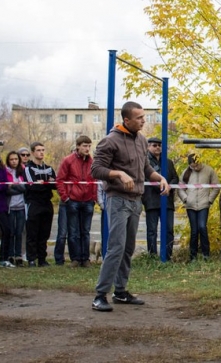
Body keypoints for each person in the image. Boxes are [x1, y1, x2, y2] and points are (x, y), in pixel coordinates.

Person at [90, 101, 170, 312]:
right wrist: (117, 173)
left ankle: (120, 292)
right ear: (127, 120)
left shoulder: (142, 140)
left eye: (144, 116)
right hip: (117, 199)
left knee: (128, 248)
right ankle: (100, 295)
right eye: (139, 118)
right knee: (116, 247)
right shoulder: (110, 141)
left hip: (136, 200)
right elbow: (96, 169)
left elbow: (145, 168)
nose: (144, 120)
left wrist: (159, 177)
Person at [57, 135, 97, 268]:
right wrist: (65, 197)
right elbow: (60, 180)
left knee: (85, 231)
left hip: (88, 200)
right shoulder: (68, 160)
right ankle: (75, 259)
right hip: (72, 199)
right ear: (78, 146)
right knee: (73, 231)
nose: (87, 148)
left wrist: (94, 196)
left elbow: (95, 181)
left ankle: (85, 259)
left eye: (89, 146)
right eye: (85, 146)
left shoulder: (92, 162)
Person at [141, 137, 178, 260]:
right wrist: (163, 187)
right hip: (151, 200)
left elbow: (175, 178)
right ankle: (152, 257)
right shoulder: (145, 162)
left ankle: (167, 256)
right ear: (148, 147)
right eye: (154, 145)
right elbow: (147, 179)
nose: (157, 148)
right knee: (152, 231)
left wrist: (168, 188)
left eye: (159, 145)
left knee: (168, 230)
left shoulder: (168, 162)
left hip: (167, 201)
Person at [178, 153, 220, 261]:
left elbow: (216, 187)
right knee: (194, 230)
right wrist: (185, 199)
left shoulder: (209, 170)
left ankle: (206, 254)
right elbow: (180, 188)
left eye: (197, 165)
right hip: (190, 205)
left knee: (202, 227)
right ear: (190, 165)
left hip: (203, 204)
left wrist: (209, 200)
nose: (196, 167)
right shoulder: (186, 172)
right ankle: (193, 256)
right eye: (193, 166)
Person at [24, 142, 57, 267]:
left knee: (45, 232)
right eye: (38, 150)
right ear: (33, 152)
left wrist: (44, 183)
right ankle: (31, 259)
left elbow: (55, 185)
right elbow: (31, 187)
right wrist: (46, 184)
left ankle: (42, 259)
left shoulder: (49, 168)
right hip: (34, 203)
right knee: (32, 232)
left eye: (43, 150)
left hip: (46, 203)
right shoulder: (28, 168)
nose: (41, 152)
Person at [0, 147, 12, 267]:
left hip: (0, 204)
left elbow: (5, 185)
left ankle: (3, 258)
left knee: (7, 229)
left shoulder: (2, 169)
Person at [5, 151, 27, 267]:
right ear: (8, 161)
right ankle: (10, 255)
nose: (14, 161)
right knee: (11, 232)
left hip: (21, 206)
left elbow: (25, 188)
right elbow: (6, 189)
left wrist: (13, 185)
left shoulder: (22, 172)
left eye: (16, 159)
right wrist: (16, 187)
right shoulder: (6, 172)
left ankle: (18, 256)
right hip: (10, 207)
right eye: (11, 159)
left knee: (19, 232)